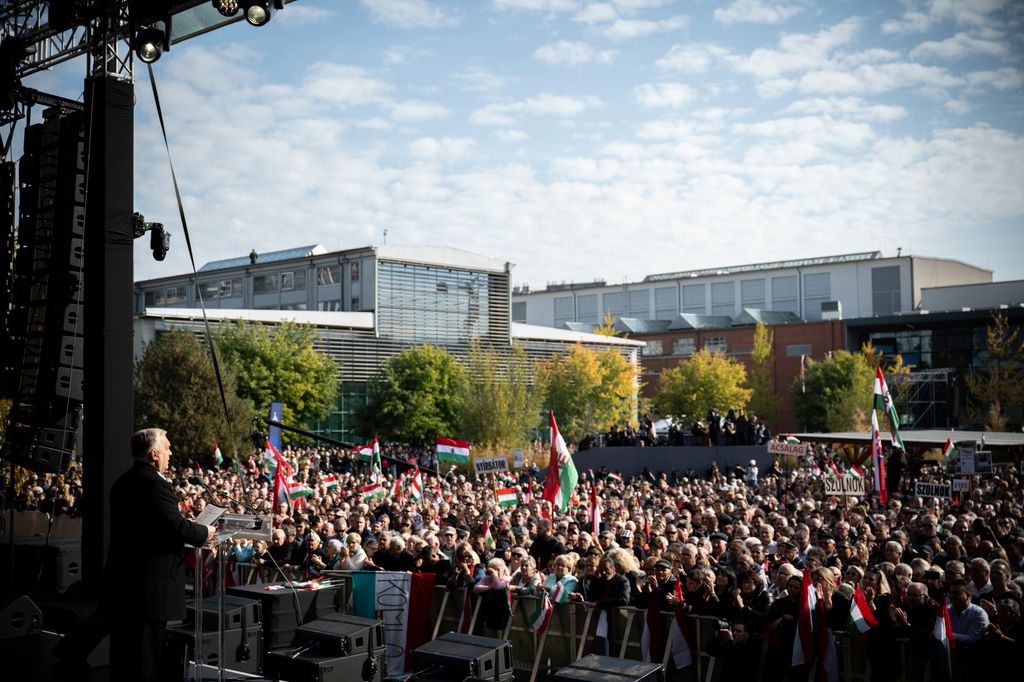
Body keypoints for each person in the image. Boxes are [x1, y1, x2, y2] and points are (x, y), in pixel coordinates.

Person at [103, 428, 216, 682]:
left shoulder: (124, 481)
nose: (171, 452)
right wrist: (205, 531)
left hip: (124, 586)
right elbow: (175, 527)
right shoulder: (154, 484)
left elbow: (153, 526)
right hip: (147, 593)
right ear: (154, 454)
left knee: (124, 658)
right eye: (167, 448)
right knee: (144, 661)